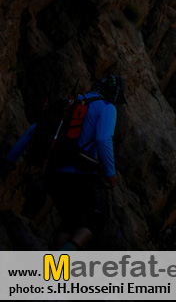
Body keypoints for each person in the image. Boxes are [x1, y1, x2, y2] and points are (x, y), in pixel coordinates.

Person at [5, 75, 126, 250]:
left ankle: (58, 268)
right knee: (97, 216)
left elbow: (33, 131)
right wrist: (111, 174)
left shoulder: (68, 103)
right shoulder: (106, 107)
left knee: (70, 220)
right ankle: (61, 264)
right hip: (81, 175)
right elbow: (102, 139)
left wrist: (9, 159)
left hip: (53, 173)